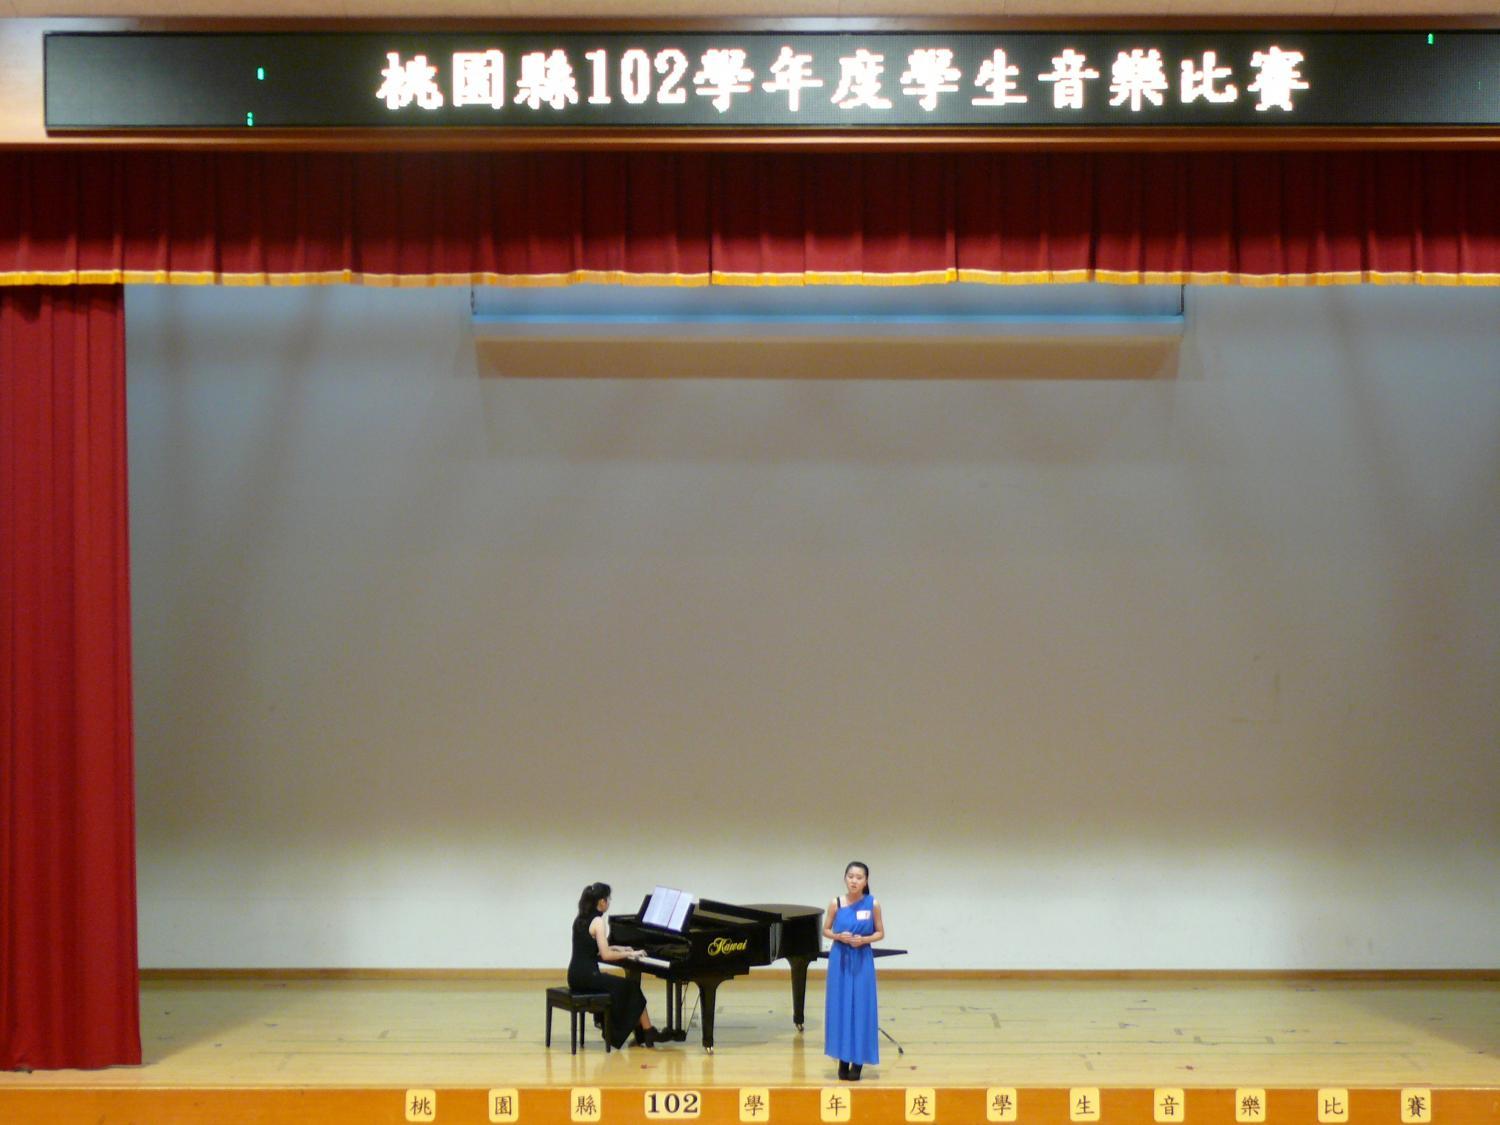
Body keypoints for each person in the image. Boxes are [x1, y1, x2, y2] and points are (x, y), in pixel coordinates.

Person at [568, 881, 659, 1048]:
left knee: (624, 987)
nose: (609, 902)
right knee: (632, 987)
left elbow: (593, 948)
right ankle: (647, 1031)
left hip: (575, 976)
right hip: (589, 977)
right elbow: (606, 955)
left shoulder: (580, 919)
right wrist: (630, 953)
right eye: (608, 899)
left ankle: (643, 1032)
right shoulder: (598, 921)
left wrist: (620, 948)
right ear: (601, 901)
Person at [823, 860, 883, 1080]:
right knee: (840, 1006)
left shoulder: (873, 903)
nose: (854, 881)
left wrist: (864, 939)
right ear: (845, 878)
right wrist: (838, 936)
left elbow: (880, 933)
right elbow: (826, 930)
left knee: (861, 1006)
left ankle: (858, 1061)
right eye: (850, 877)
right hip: (840, 958)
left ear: (866, 881)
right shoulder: (836, 903)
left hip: (862, 958)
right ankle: (842, 1058)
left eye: (859, 877)